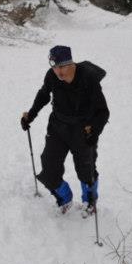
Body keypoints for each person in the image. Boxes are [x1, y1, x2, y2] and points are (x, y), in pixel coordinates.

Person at [20, 45, 109, 214]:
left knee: (86, 170)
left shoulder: (88, 78)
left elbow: (103, 112)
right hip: (58, 127)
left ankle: (89, 201)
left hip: (83, 129)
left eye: (62, 67)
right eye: (54, 67)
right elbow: (44, 94)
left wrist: (94, 132)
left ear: (71, 63)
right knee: (49, 168)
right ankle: (64, 197)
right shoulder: (52, 76)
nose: (58, 72)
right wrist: (31, 115)